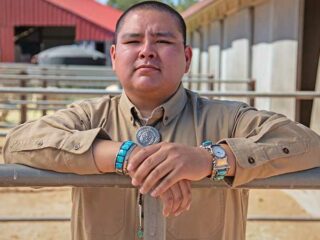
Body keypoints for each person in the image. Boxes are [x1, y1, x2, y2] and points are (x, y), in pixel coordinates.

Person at [3, 1, 320, 240]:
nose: (146, 51)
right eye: (132, 41)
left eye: (164, 42)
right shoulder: (89, 116)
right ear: (114, 56)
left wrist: (211, 158)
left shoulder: (229, 118)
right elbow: (17, 144)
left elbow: (306, 144)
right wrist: (122, 155)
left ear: (186, 58)